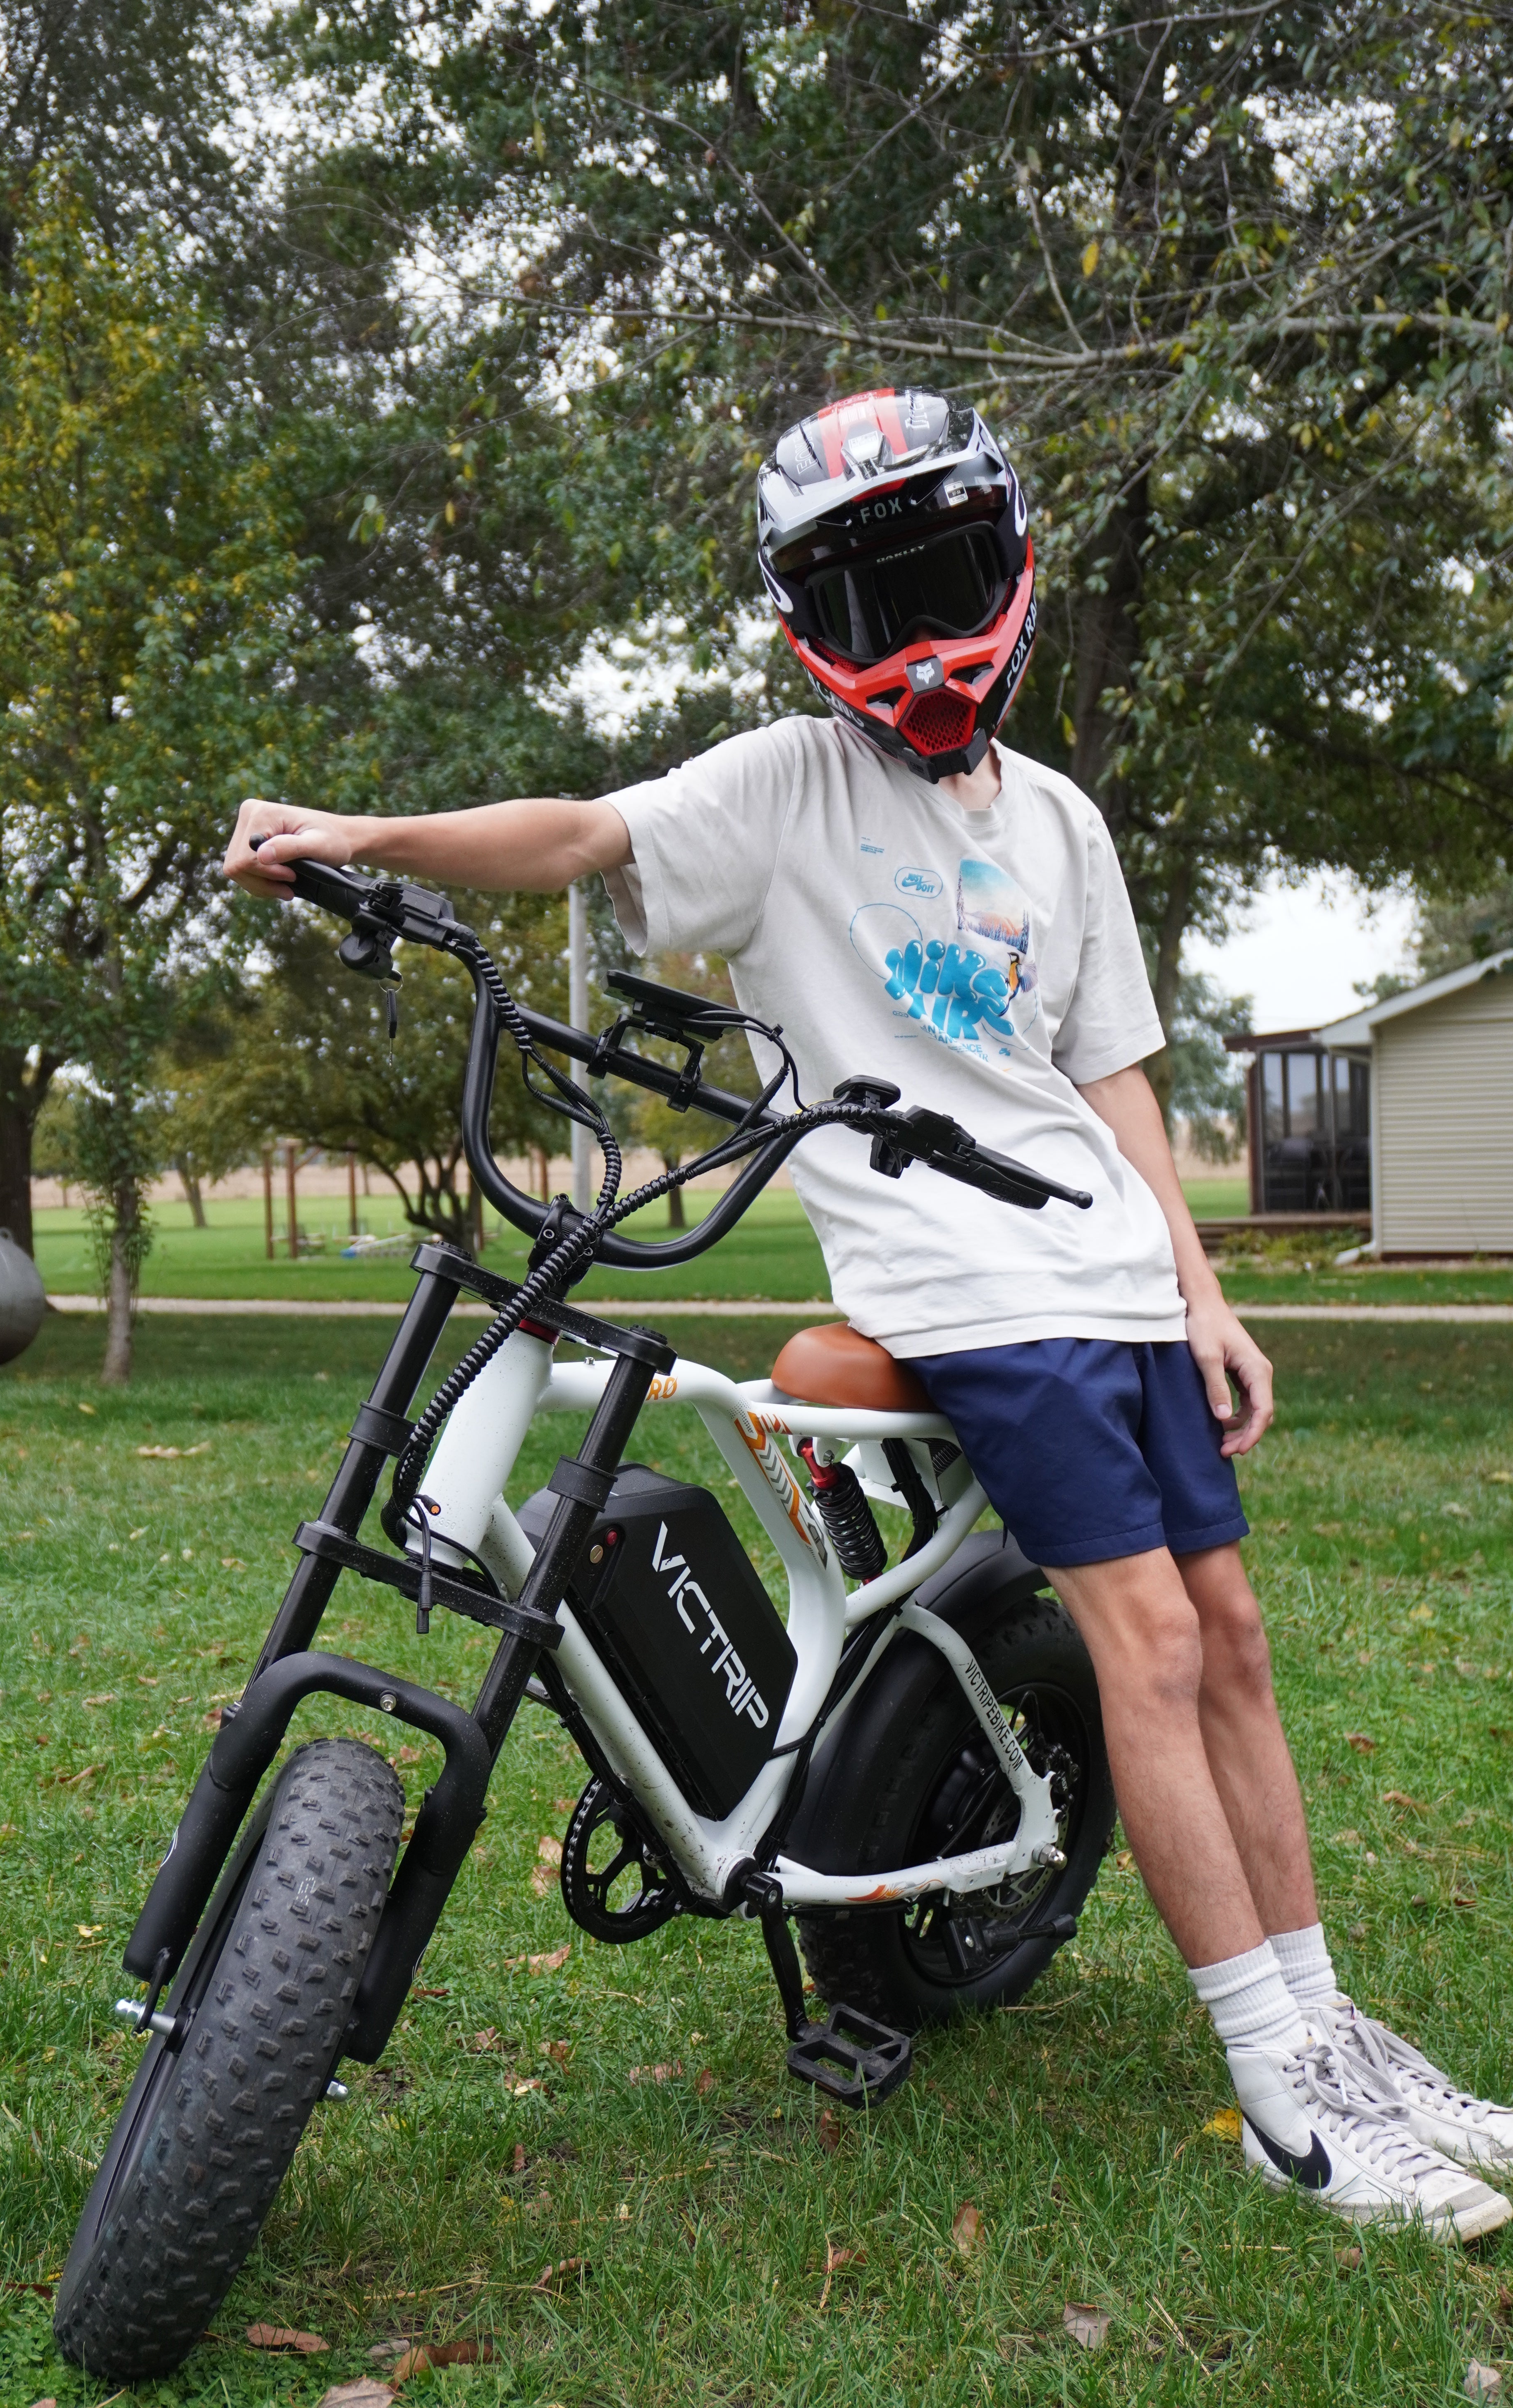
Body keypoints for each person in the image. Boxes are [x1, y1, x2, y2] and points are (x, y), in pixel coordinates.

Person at [225, 385, 1513, 2237]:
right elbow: (584, 835)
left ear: (1010, 565)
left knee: (1226, 1632)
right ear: (802, 631)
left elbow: (1119, 1081)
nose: (910, 633)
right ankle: (1272, 2080)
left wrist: (1203, 1289)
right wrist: (370, 829)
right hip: (965, 1284)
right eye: (862, 595)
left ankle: (1332, 2032)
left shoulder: (1062, 823)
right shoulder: (777, 791)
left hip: (1113, 1274)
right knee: (1146, 1643)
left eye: (939, 571)